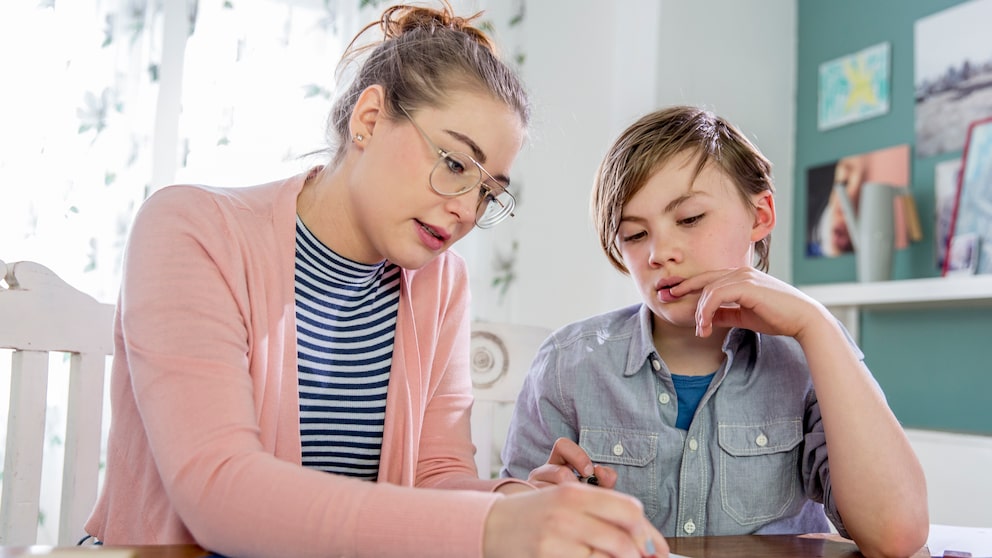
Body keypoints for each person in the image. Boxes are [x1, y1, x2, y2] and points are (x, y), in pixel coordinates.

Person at [83, 3, 668, 557]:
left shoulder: (443, 283)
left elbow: (433, 477)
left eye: (489, 190)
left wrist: (522, 501)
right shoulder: (192, 228)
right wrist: (496, 525)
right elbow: (218, 489)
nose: (467, 209)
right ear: (369, 118)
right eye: (456, 164)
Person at [500, 105, 929, 558]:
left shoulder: (811, 355)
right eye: (635, 235)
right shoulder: (569, 365)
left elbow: (896, 535)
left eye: (688, 219)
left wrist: (815, 324)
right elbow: (518, 532)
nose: (660, 253)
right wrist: (540, 508)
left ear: (760, 215)